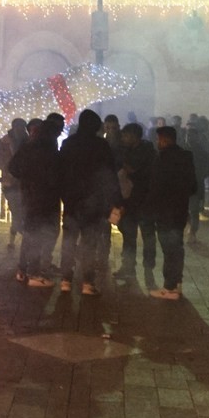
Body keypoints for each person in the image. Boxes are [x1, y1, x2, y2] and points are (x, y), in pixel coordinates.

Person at [58, 110, 121, 295]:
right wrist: (115, 200)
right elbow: (109, 175)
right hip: (93, 202)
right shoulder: (101, 145)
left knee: (69, 240)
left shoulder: (69, 144)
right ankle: (87, 281)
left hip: (72, 200)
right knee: (89, 242)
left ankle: (66, 279)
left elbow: (61, 171)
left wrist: (64, 194)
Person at [9, 114, 64, 287]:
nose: (61, 130)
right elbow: (54, 173)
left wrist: (27, 179)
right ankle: (34, 273)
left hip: (29, 195)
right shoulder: (48, 146)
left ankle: (22, 269)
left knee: (30, 232)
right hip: (45, 197)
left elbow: (13, 167)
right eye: (60, 127)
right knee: (42, 233)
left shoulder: (30, 144)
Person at [146, 126, 197, 300]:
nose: (157, 142)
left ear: (165, 139)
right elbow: (193, 186)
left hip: (165, 211)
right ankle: (177, 283)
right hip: (180, 210)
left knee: (169, 249)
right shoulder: (186, 156)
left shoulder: (162, 158)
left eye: (159, 139)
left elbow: (155, 186)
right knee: (177, 247)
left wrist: (151, 207)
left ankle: (169, 287)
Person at [115, 122, 157, 278]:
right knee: (129, 235)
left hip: (143, 199)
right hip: (131, 200)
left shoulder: (146, 153)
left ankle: (147, 266)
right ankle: (129, 266)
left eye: (126, 135)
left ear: (133, 136)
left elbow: (137, 173)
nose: (123, 138)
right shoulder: (131, 150)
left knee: (146, 235)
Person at [0, 119, 28, 248]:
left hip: (19, 182)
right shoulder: (6, 142)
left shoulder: (24, 141)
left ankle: (13, 239)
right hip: (12, 182)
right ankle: (19, 236)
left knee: (18, 212)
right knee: (16, 211)